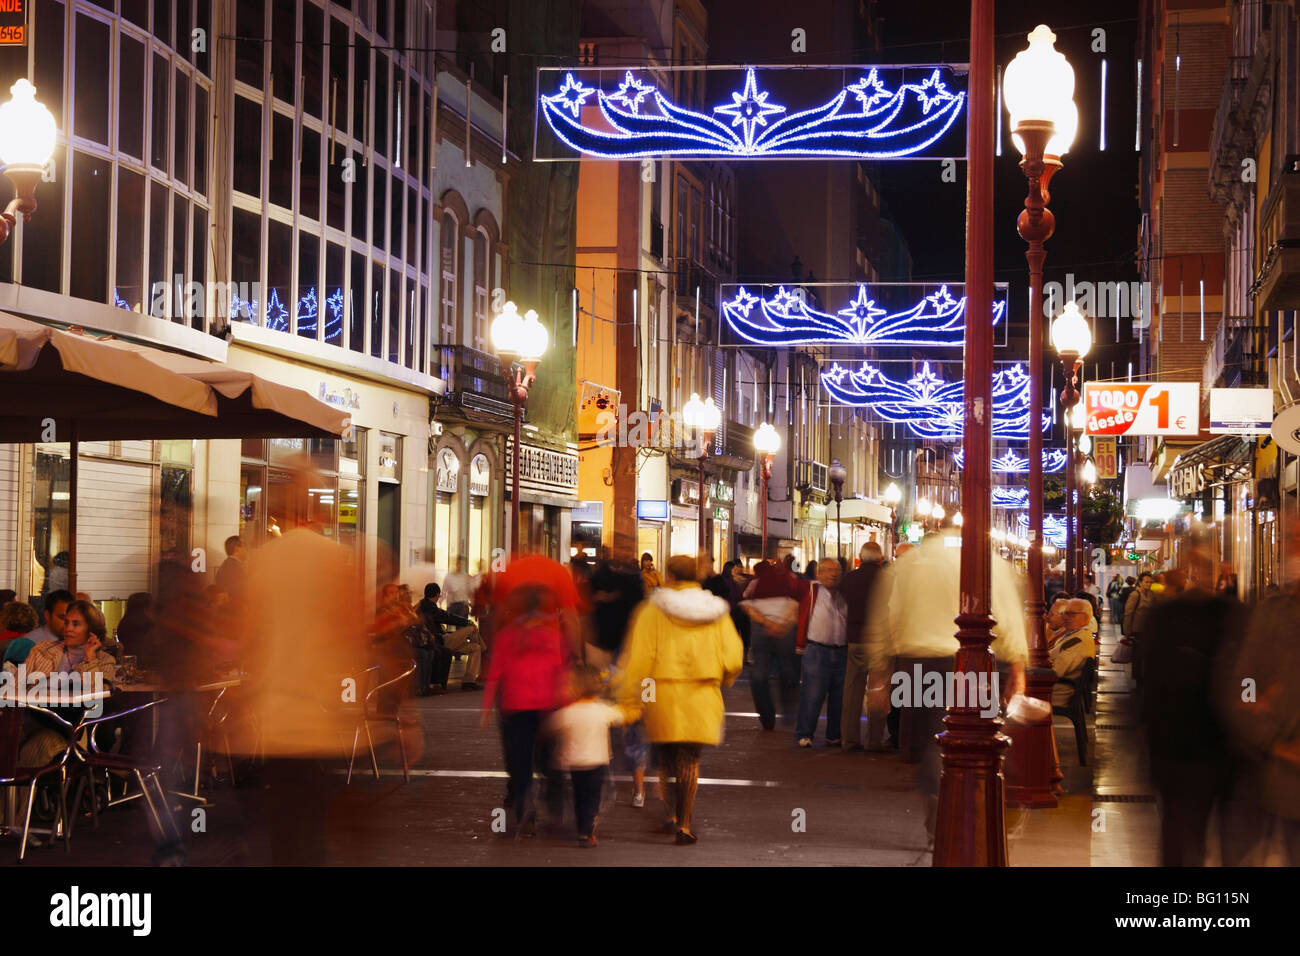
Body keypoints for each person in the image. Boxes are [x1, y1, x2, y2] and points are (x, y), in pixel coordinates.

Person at [864, 531, 1027, 845]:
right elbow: (1007, 613)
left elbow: (886, 617)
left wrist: (879, 673)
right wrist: (1017, 667)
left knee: (930, 740)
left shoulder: (908, 565)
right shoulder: (988, 564)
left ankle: (940, 814)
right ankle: (973, 814)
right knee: (980, 737)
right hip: (971, 662)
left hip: (915, 662)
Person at [615, 554, 744, 844]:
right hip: (701, 694)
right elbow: (734, 657)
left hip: (662, 694)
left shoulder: (652, 610)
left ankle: (670, 813)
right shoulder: (716, 612)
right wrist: (722, 679)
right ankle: (684, 825)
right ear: (695, 578)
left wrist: (632, 698)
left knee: (665, 759)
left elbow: (639, 659)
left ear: (669, 577)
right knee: (689, 761)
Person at [1140, 541, 1246, 866]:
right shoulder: (1164, 617)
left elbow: (1247, 677)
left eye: (1206, 564)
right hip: (1178, 748)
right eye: (1194, 564)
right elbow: (1148, 684)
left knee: (1226, 840)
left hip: (1222, 747)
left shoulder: (1234, 615)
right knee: (1180, 835)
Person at [481, 583, 572, 836]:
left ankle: (525, 812)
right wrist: (565, 705)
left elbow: (495, 673)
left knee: (520, 762)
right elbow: (561, 673)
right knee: (549, 761)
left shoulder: (507, 635)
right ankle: (555, 808)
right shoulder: (553, 635)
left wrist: (486, 709)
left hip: (515, 706)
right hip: (547, 708)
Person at [544, 665, 627, 847]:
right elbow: (621, 716)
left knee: (579, 796)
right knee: (592, 798)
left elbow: (550, 726)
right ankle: (587, 832)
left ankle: (582, 828)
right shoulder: (602, 710)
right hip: (597, 762)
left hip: (574, 763)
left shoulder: (567, 713)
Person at [741, 552, 802, 731]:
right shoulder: (789, 579)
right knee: (786, 670)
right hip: (782, 628)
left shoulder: (756, 582)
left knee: (763, 674)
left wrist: (767, 623)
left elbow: (745, 603)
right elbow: (796, 603)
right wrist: (782, 624)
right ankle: (786, 710)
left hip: (765, 628)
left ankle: (769, 717)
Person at [794, 557, 848, 748]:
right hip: (817, 649)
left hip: (841, 650)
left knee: (839, 697)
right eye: (829, 570)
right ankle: (804, 733)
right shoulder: (812, 590)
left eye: (838, 570)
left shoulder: (844, 594)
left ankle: (834, 735)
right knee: (812, 695)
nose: (834, 574)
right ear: (819, 573)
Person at [839, 542, 885, 750]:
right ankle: (874, 740)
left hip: (855, 639)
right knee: (877, 689)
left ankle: (849, 739)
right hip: (879, 640)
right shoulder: (886, 578)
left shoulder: (849, 579)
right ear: (879, 558)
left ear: (860, 557)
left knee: (852, 690)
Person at [417, 583, 484, 689]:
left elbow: (445, 616)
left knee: (476, 648)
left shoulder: (426, 605)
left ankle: (468, 681)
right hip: (441, 641)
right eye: (439, 594)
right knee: (471, 628)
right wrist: (467, 622)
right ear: (437, 594)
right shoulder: (428, 607)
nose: (439, 596)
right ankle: (486, 651)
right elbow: (447, 617)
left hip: (442, 639)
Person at [1048, 599, 1098, 708]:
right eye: (1065, 613)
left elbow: (1056, 671)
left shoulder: (1079, 640)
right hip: (1055, 687)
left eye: (1071, 614)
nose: (1066, 617)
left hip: (1055, 692)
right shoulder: (1074, 634)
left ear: (1085, 617)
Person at [1123, 572, 1156, 683]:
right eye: (1146, 582)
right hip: (1137, 630)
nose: (1149, 584)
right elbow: (1128, 613)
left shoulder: (1152, 594)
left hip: (1148, 629)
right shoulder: (1135, 595)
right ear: (1140, 582)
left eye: (1150, 582)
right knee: (1137, 655)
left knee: (1146, 654)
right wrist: (1127, 631)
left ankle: (1144, 676)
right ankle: (1138, 678)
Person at [215, 536, 247, 603]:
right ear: (237, 548)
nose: (247, 549)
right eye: (245, 545)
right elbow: (240, 593)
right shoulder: (235, 567)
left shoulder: (227, 564)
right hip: (235, 610)